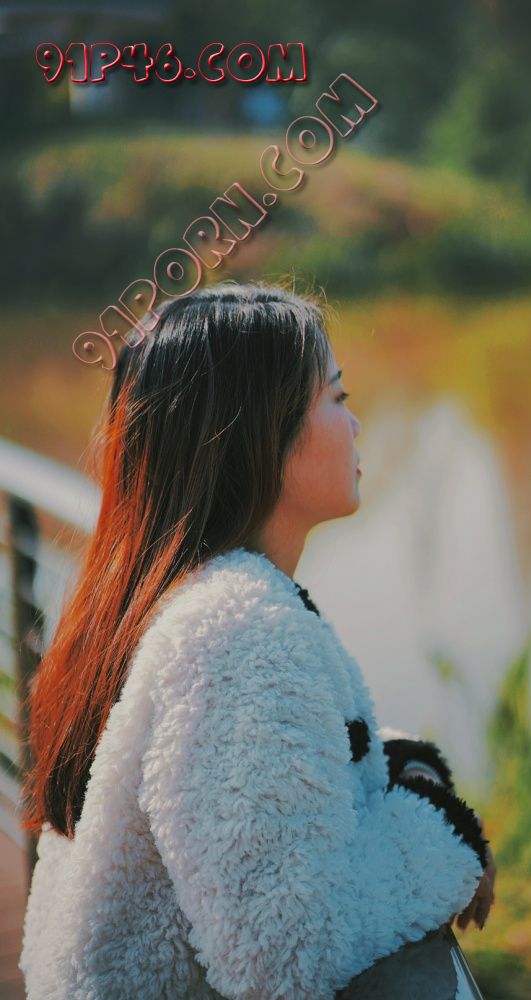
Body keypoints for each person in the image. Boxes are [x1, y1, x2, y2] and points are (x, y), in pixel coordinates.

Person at [18, 279, 495, 999]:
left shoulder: (194, 599)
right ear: (259, 435)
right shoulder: (235, 634)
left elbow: (288, 758)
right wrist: (446, 834)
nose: (357, 423)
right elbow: (291, 950)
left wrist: (408, 766)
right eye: (336, 398)